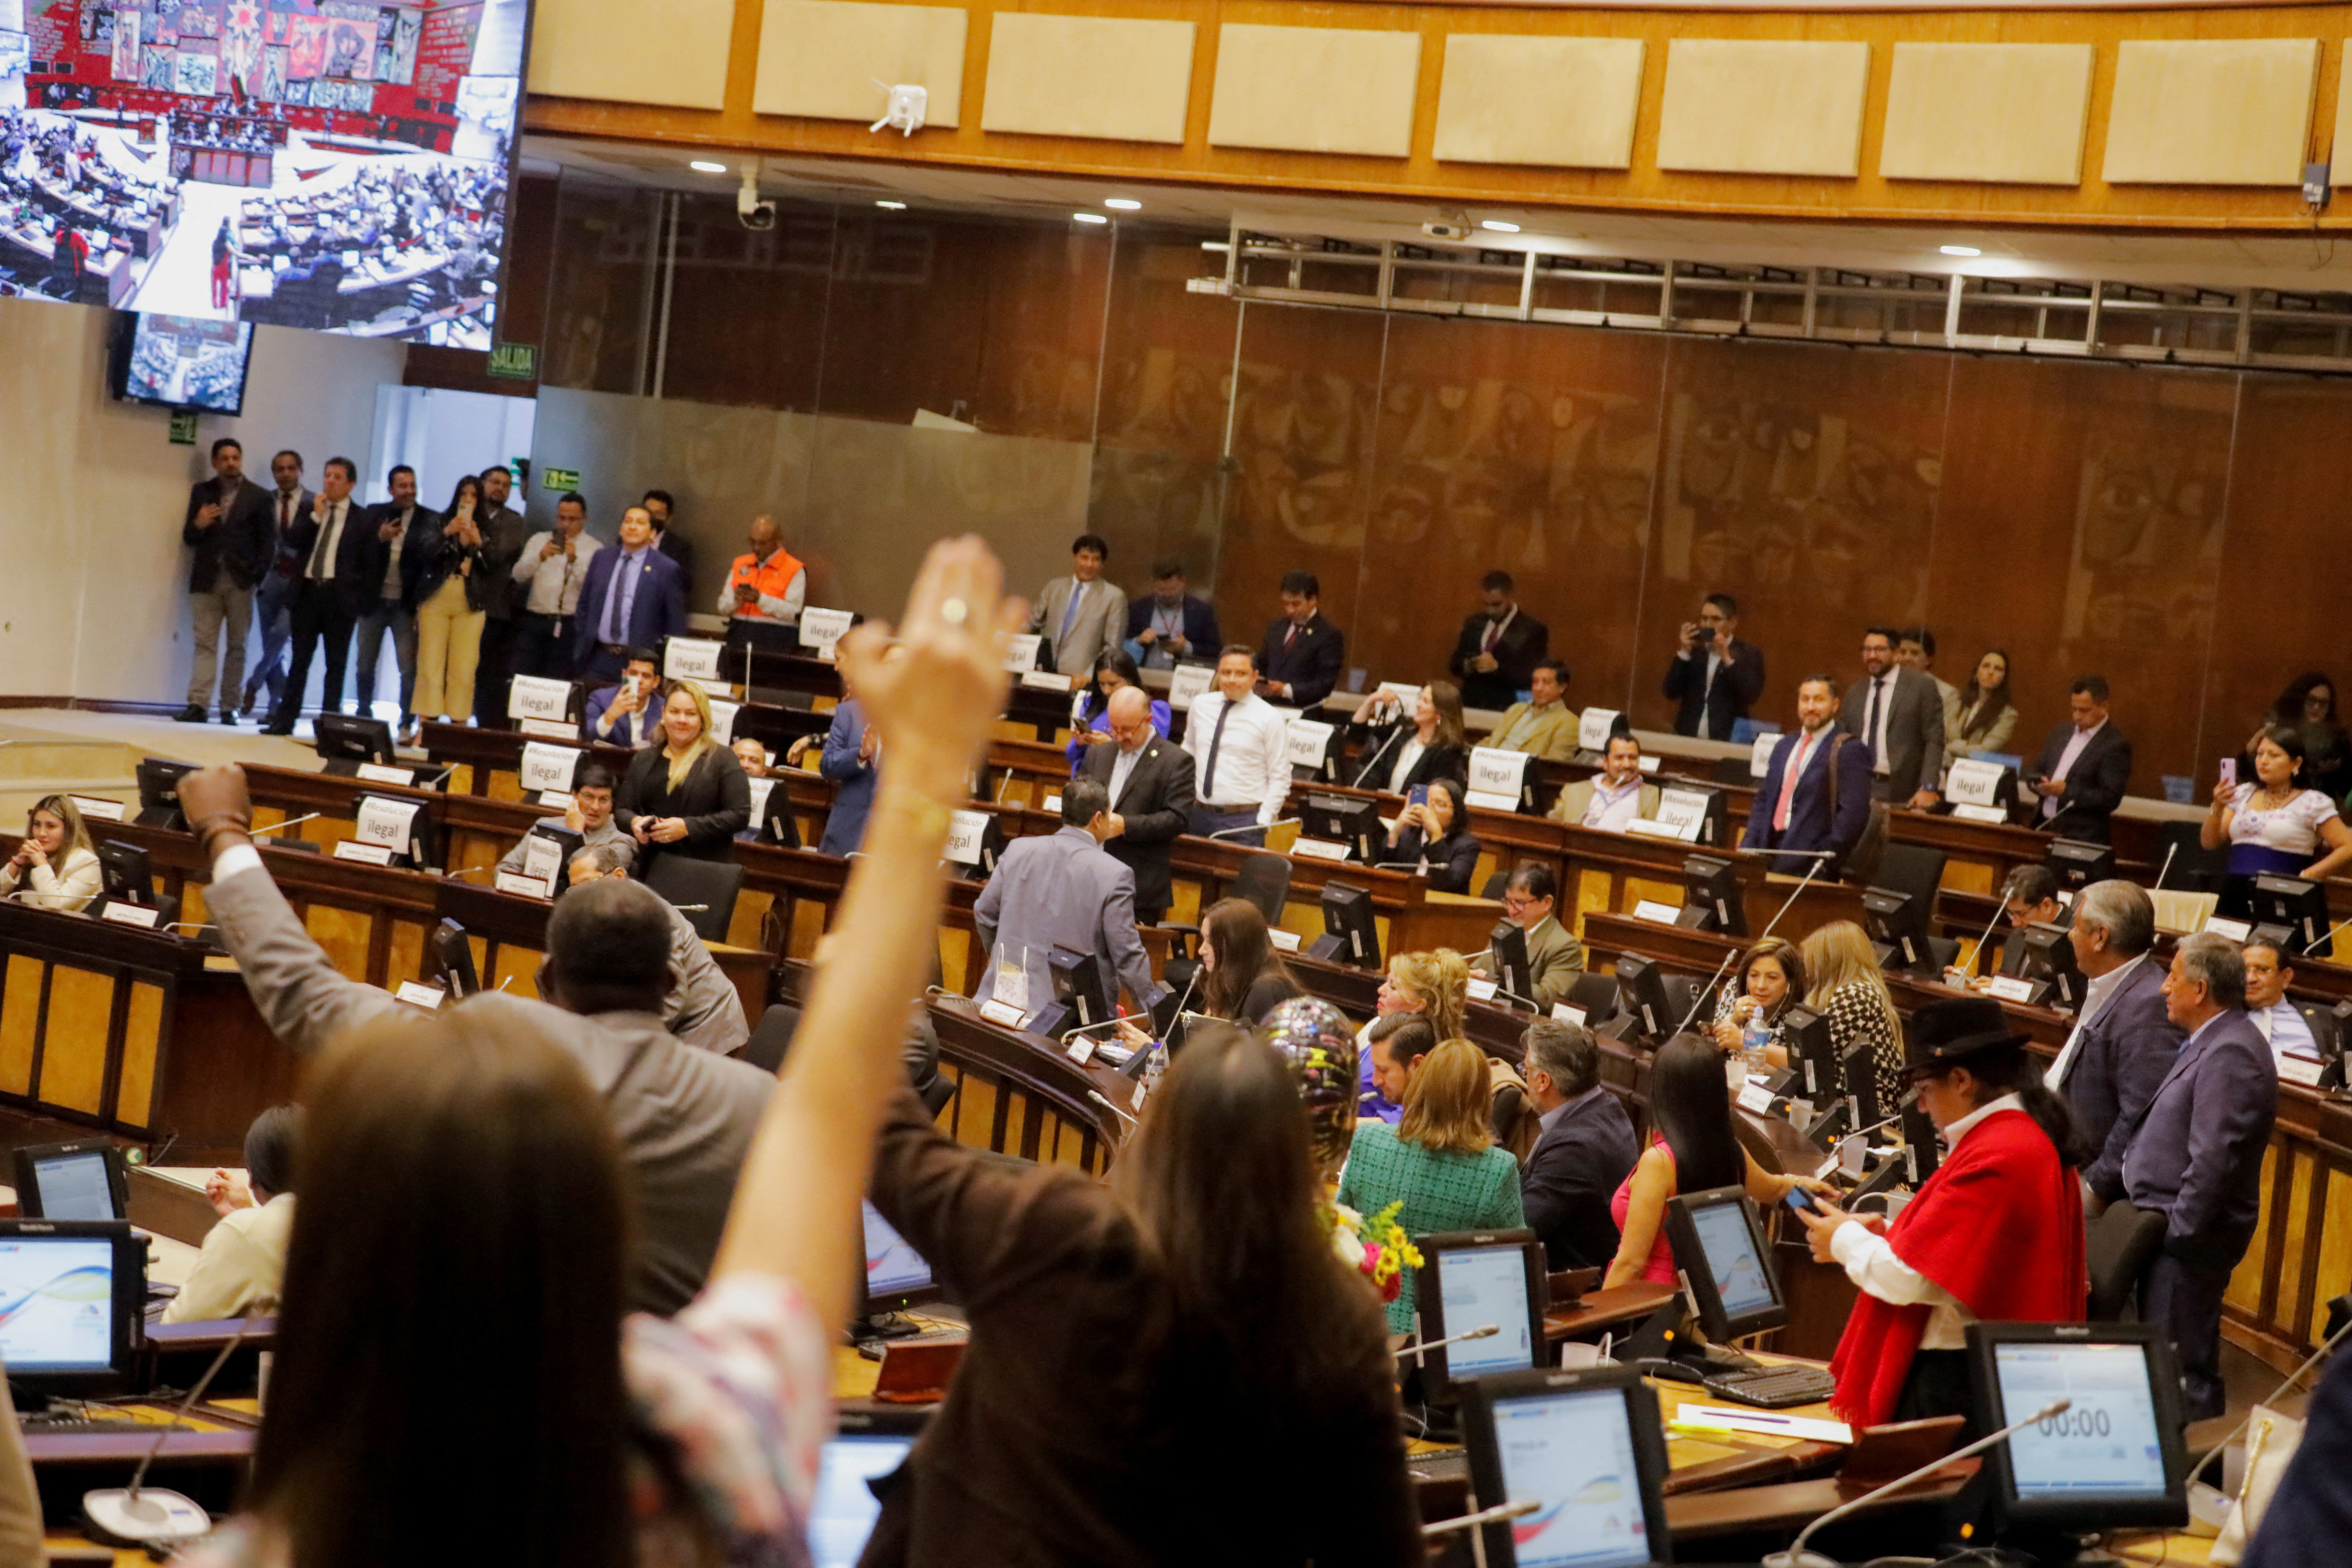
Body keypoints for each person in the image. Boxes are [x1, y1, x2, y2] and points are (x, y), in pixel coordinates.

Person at [170, 534, 1025, 1568]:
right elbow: (840, 1096)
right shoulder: (711, 1449)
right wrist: (925, 776)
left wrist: (224, 837)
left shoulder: (246, 1554)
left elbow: (300, 989)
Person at [862, 1018, 1421, 1565]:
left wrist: (862, 994)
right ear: (1295, 1163)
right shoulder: (1335, 1319)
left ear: (1156, 1132)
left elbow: (895, 1149)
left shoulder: (1062, 1238)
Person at [1797, 997, 2088, 1428]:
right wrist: (1892, 1232)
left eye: (1925, 1089)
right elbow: (1972, 1248)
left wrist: (1842, 1241)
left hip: (1955, 1381)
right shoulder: (2014, 1134)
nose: (1920, 1106)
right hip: (1974, 1370)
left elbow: (1913, 1279)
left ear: (1961, 1079)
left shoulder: (2000, 1151)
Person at [2110, 933, 2277, 1421]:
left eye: (2173, 977)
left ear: (2200, 989)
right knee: (2162, 1360)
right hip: (2165, 1230)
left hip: (2186, 1240)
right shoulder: (2210, 1041)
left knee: (2182, 1368)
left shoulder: (2232, 1053)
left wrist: (2180, 1233)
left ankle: (2192, 1481)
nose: (2164, 988)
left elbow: (2213, 1160)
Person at [1606, 1033, 1828, 1288]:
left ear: (1661, 1090)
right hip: (1706, 1294)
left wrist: (1594, 1325)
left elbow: (1631, 1263)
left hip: (1648, 1302)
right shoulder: (1731, 1152)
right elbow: (1776, 1189)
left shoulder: (1659, 1163)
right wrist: (1813, 1194)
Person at [1337, 1039, 1527, 1334]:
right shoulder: (1497, 1169)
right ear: (1482, 1099)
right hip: (1445, 1337)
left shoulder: (1368, 1140)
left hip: (1358, 1322)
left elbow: (1340, 1234)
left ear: (1421, 1084)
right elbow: (1516, 1270)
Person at [971, 778, 1164, 1020]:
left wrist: (1004, 958)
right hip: (1065, 1021)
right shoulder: (1115, 875)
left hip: (999, 1004)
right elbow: (1127, 955)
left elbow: (984, 913)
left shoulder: (1018, 849)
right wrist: (1155, 1015)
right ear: (1098, 819)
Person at [2050, 880, 2184, 1199]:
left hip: (2086, 1183)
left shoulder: (2149, 1003)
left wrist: (2094, 1188)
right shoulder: (2107, 985)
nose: (2069, 935)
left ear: (2100, 937)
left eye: (2077, 927)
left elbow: (2139, 1115)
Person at [565, 842, 751, 1056]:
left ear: (618, 877)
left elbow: (671, 995)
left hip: (708, 1029)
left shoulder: (652, 918)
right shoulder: (602, 914)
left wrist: (626, 1045)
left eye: (589, 885)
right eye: (574, 891)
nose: (581, 899)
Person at [1516, 1018, 1639, 1271]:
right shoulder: (1608, 1106)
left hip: (1574, 1289)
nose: (1524, 1077)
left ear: (1543, 1081)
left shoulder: (1575, 1148)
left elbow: (1519, 1225)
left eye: (1525, 1070)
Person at [262, 456, 373, 736]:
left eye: (337, 477)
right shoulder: (311, 509)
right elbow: (291, 541)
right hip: (308, 593)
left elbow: (370, 563)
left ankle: (330, 726)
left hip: (340, 597)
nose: (330, 481)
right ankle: (286, 720)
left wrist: (359, 598)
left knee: (336, 664)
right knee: (300, 660)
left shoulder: (363, 518)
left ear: (351, 484)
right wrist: (315, 517)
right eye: (327, 476)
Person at [159, 1105, 300, 1324]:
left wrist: (247, 1224)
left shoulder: (243, 1231)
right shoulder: (355, 1219)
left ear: (252, 1178)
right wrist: (251, 1216)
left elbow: (177, 1325)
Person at [1077, 685, 1193, 926]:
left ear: (1148, 720)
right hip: (1087, 880)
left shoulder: (1176, 761)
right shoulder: (1099, 753)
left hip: (1138, 886)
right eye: (1113, 728)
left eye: (1126, 730)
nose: (1118, 737)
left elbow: (1177, 818)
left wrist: (1126, 825)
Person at [180, 436, 275, 724]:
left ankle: (229, 706)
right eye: (225, 458)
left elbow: (268, 544)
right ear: (215, 462)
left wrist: (255, 578)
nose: (231, 463)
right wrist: (199, 524)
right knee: (205, 644)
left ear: (241, 460)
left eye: (236, 457)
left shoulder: (259, 496)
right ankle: (198, 704)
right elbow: (189, 537)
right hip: (207, 579)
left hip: (241, 581)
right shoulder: (202, 491)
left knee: (238, 646)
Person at [1741, 675, 1873, 875]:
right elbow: (1765, 799)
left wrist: (1824, 858)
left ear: (1835, 705)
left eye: (1819, 700)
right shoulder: (1784, 746)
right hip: (1767, 853)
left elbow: (1853, 816)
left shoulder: (1849, 750)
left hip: (1810, 863)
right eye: (1805, 700)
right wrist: (1749, 845)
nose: (1811, 707)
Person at [615, 681, 752, 865]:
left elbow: (740, 815)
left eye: (691, 714)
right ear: (664, 714)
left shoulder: (722, 758)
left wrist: (687, 828)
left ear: (703, 718)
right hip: (651, 864)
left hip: (703, 867)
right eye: (675, 712)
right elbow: (622, 810)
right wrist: (636, 822)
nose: (682, 720)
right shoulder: (644, 758)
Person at [2202, 725, 2352, 892]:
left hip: (2282, 895)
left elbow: (2348, 847)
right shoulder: (2243, 793)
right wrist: (2218, 805)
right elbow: (2209, 842)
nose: (2263, 761)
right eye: (2260, 754)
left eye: (2274, 755)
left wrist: (2306, 878)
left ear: (2296, 763)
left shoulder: (2313, 802)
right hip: (2234, 890)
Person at [353, 464, 433, 743]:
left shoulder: (429, 519)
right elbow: (357, 550)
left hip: (406, 604)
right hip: (374, 601)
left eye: (412, 485)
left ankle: (406, 721)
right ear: (391, 489)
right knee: (365, 663)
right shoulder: (374, 513)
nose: (409, 491)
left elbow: (430, 559)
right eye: (403, 486)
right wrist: (380, 538)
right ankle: (363, 713)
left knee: (408, 668)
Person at [1182, 644, 1289, 843]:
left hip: (1245, 820)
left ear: (1255, 677)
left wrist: (1263, 820)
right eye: (1226, 673)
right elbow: (1188, 751)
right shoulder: (1200, 705)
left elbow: (1280, 777)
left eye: (1241, 674)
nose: (1232, 680)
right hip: (1198, 814)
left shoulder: (1270, 718)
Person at [1799, 921, 1906, 1116]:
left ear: (1830, 962)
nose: (1808, 972)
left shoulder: (1856, 995)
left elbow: (1813, 1060)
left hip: (1866, 1116)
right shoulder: (1855, 992)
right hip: (1844, 1108)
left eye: (1812, 962)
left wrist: (1753, 1045)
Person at [405, 473, 486, 730]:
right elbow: (422, 553)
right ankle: (426, 727)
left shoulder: (487, 526)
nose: (468, 500)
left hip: (470, 602)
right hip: (437, 597)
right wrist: (447, 533)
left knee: (464, 667)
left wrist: (478, 543)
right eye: (464, 494)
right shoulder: (438, 521)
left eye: (474, 496)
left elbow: (494, 568)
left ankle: (458, 724)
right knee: (430, 664)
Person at [574, 505, 688, 684]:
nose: (633, 527)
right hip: (597, 657)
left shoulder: (666, 568)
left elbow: (675, 623)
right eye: (628, 521)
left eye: (641, 523)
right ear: (621, 529)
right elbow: (584, 604)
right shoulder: (602, 557)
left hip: (640, 662)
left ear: (652, 534)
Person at [238, 450, 311, 721]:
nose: (285, 474)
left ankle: (254, 681)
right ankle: (275, 709)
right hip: (269, 580)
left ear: (301, 471)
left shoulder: (315, 502)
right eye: (279, 469)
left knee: (281, 635)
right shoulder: (265, 501)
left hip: (298, 581)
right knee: (274, 646)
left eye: (291, 468)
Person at [1359, 950, 1469, 1123]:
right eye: (1386, 982)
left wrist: (1339, 1125)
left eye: (1394, 987)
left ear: (1418, 1005)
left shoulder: (1438, 1057)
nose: (1381, 990)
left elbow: (1408, 1122)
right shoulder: (1381, 1029)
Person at [1842, 626, 1943, 808]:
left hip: (1901, 791)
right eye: (1867, 650)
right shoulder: (1855, 692)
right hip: (1858, 786)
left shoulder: (1921, 688)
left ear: (1896, 653)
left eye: (1880, 650)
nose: (1872, 656)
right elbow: (1844, 739)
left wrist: (1928, 787)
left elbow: (1934, 740)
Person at [510, 491, 600, 681]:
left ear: (585, 519)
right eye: (561, 518)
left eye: (572, 519)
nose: (566, 524)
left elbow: (592, 589)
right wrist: (540, 557)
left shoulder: (595, 549)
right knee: (525, 675)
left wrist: (575, 561)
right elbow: (518, 575)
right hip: (535, 620)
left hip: (569, 624)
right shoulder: (539, 540)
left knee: (558, 678)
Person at [2030, 675, 2132, 842]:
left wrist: (2066, 792)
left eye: (2084, 710)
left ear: (2104, 707)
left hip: (2081, 837)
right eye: (2074, 709)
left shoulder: (2115, 745)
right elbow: (2035, 770)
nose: (2077, 717)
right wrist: (2038, 783)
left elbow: (2110, 798)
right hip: (2043, 828)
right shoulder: (2060, 733)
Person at [1472, 862, 1587, 1007]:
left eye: (1520, 903)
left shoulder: (1564, 946)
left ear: (1547, 902)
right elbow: (1477, 969)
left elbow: (1548, 998)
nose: (1512, 911)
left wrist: (1492, 983)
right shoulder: (1506, 931)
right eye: (1508, 902)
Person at [469, 464, 531, 727]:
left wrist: (477, 540)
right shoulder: (466, 512)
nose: (500, 488)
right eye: (494, 482)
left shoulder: (515, 521)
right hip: (461, 602)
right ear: (482, 484)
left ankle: (483, 724)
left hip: (495, 608)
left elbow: (499, 555)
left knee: (489, 671)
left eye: (507, 485)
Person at [1663, 591, 1764, 740]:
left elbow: (1750, 695)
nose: (1708, 625)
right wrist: (1684, 651)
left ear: (1732, 623)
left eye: (1716, 619)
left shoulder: (1749, 655)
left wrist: (1727, 659)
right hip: (1687, 738)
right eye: (1704, 619)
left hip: (1727, 740)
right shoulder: (1695, 654)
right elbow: (1670, 692)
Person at [1448, 571, 1551, 713]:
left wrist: (1497, 668)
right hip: (1470, 702)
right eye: (1486, 604)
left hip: (1506, 706)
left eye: (1496, 605)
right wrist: (1472, 664)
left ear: (1510, 597)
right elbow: (1455, 664)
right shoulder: (1475, 623)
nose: (1490, 611)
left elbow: (1531, 676)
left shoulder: (1531, 630)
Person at [1344, 681, 1468, 794]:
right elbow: (1356, 736)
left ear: (1440, 712)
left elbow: (1433, 793)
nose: (1418, 705)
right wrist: (1371, 701)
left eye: (1425, 701)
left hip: (1412, 813)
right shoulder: (1401, 732)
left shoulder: (1447, 751)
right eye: (1420, 699)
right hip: (1382, 806)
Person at [1194, 896, 1300, 1023]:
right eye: (1204, 939)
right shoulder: (1231, 979)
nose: (1201, 950)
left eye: (1211, 941)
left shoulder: (1265, 992)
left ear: (1235, 944)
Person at [1030, 532, 1122, 677]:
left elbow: (1113, 648)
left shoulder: (1113, 596)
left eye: (1095, 560)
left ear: (1102, 564)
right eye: (1084, 558)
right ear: (1074, 557)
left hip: (1082, 679)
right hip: (1043, 674)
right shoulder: (1054, 588)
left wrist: (1090, 676)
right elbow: (1032, 624)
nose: (1089, 565)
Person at [1064, 647, 1169, 775]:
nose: (1106, 690)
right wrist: (1080, 744)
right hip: (1092, 779)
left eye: (1113, 684)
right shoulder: (1090, 704)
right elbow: (1072, 757)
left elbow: (1153, 758)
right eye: (1102, 684)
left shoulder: (1155, 711)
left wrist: (1110, 746)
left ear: (1130, 680)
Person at [1708, 935, 1806, 1063]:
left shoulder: (1802, 1007)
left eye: (1772, 978)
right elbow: (1711, 1044)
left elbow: (1799, 1061)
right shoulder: (1735, 988)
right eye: (1754, 976)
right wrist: (1734, 1019)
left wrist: (1745, 1040)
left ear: (1790, 983)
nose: (1760, 986)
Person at [1256, 570, 1344, 709]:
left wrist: (1286, 690)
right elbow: (1262, 663)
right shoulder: (1277, 627)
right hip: (1266, 707)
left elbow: (1325, 684)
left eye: (1296, 604)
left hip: (1301, 710)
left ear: (1313, 600)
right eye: (1286, 604)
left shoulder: (1328, 635)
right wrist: (1258, 680)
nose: (1290, 610)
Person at [2263, 671, 2351, 804]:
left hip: (2321, 807)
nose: (2317, 708)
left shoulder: (2338, 738)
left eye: (2323, 703)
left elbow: (2346, 790)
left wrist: (2335, 771)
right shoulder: (2278, 732)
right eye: (2312, 701)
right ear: (2300, 701)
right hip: (2281, 806)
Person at [1, 795, 101, 911]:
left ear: (69, 830)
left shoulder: (86, 862)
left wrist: (41, 864)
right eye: (37, 825)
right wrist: (16, 865)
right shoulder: (31, 853)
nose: (42, 833)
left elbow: (56, 906)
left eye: (51, 826)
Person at [1383, 777, 1480, 894]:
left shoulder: (1467, 846)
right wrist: (1394, 834)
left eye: (1440, 804)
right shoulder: (1408, 834)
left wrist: (1436, 836)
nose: (1429, 810)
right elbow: (1382, 872)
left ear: (1456, 813)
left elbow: (1448, 884)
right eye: (1427, 803)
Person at [817, 679, 879, 857]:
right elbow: (827, 765)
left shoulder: (924, 721)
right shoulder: (850, 712)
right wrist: (861, 754)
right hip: (849, 830)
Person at [1123, 558, 1220, 671]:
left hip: (1185, 674)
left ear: (1183, 583)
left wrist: (1186, 647)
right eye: (1162, 590)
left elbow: (1215, 650)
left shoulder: (1201, 610)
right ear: (1152, 584)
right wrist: (1139, 641)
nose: (1167, 595)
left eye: (1173, 590)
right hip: (1145, 672)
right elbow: (1121, 644)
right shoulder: (1138, 608)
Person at [1551, 732, 1659, 831]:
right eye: (1619, 758)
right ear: (1605, 762)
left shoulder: (1654, 796)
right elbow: (1552, 828)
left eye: (1633, 758)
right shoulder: (1574, 791)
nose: (1627, 764)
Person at [2242, 937, 2321, 1069]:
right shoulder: (2224, 1014)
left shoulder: (2322, 1019)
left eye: (2262, 970)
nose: (2250, 979)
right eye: (2244, 970)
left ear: (2286, 977)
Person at [718, 513, 805, 629]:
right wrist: (735, 602)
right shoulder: (741, 564)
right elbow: (722, 607)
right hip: (738, 632)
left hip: (775, 636)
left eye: (763, 543)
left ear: (778, 540)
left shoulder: (794, 568)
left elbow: (794, 613)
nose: (756, 548)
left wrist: (761, 600)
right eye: (753, 542)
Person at [1483, 658, 1578, 761]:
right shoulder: (1516, 709)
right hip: (1488, 764)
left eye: (1547, 683)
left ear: (1562, 687)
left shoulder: (1570, 723)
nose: (1539, 688)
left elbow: (1555, 764)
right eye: (1536, 682)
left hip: (1520, 772)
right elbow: (1492, 741)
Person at [1980, 863, 2064, 977]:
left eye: (2021, 914)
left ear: (2046, 906)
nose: (2015, 923)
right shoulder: (2018, 936)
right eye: (2011, 914)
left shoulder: (2074, 938)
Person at [1946, 648, 2017, 759]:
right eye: (1986, 666)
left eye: (1998, 669)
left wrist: (1952, 748)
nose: (1991, 672)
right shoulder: (1955, 700)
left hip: (1975, 769)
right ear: (1976, 672)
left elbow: (1985, 751)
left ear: (2004, 678)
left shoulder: (2008, 715)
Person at [584, 650, 665, 748]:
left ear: (656, 682)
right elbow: (586, 735)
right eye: (634, 674)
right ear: (624, 675)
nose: (639, 680)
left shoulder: (664, 707)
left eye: (646, 676)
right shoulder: (600, 699)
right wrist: (609, 717)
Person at [1896, 627, 1961, 732]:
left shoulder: (1947, 694)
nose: (1907, 658)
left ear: (1929, 660)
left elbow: (1945, 733)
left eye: (1914, 653)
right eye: (1903, 652)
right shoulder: (1887, 687)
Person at [643, 487, 694, 601]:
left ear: (668, 517)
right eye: (649, 512)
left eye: (658, 514)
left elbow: (683, 584)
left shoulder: (680, 547)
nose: (652, 518)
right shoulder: (626, 541)